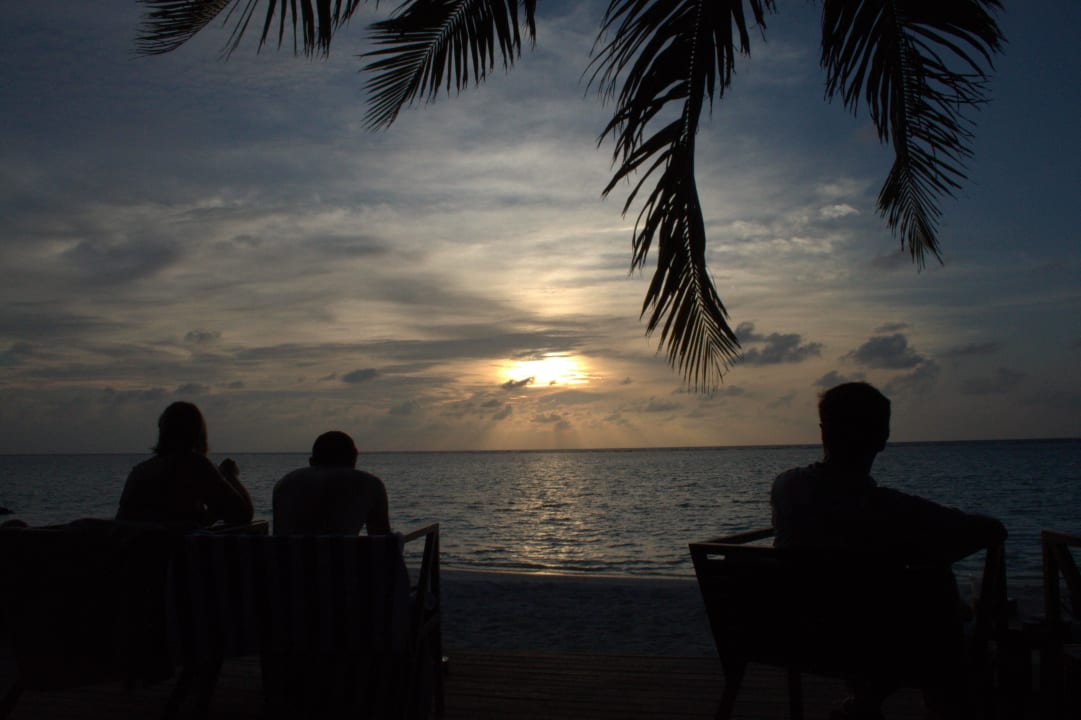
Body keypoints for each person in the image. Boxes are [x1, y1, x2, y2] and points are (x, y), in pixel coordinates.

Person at [770, 382, 1007, 719]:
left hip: (803, 637)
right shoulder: (887, 508)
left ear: (824, 431)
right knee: (936, 594)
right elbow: (991, 530)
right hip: (874, 645)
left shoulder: (785, 487)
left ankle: (865, 703)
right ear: (883, 438)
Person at [116, 401, 253, 528]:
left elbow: (167, 520)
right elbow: (242, 515)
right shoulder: (195, 464)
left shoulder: (140, 471)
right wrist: (230, 475)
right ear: (198, 433)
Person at [272, 431, 391, 535]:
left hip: (291, 560)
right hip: (344, 559)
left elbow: (279, 535)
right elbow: (381, 539)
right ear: (354, 459)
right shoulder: (370, 485)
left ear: (311, 461)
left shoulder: (284, 484)